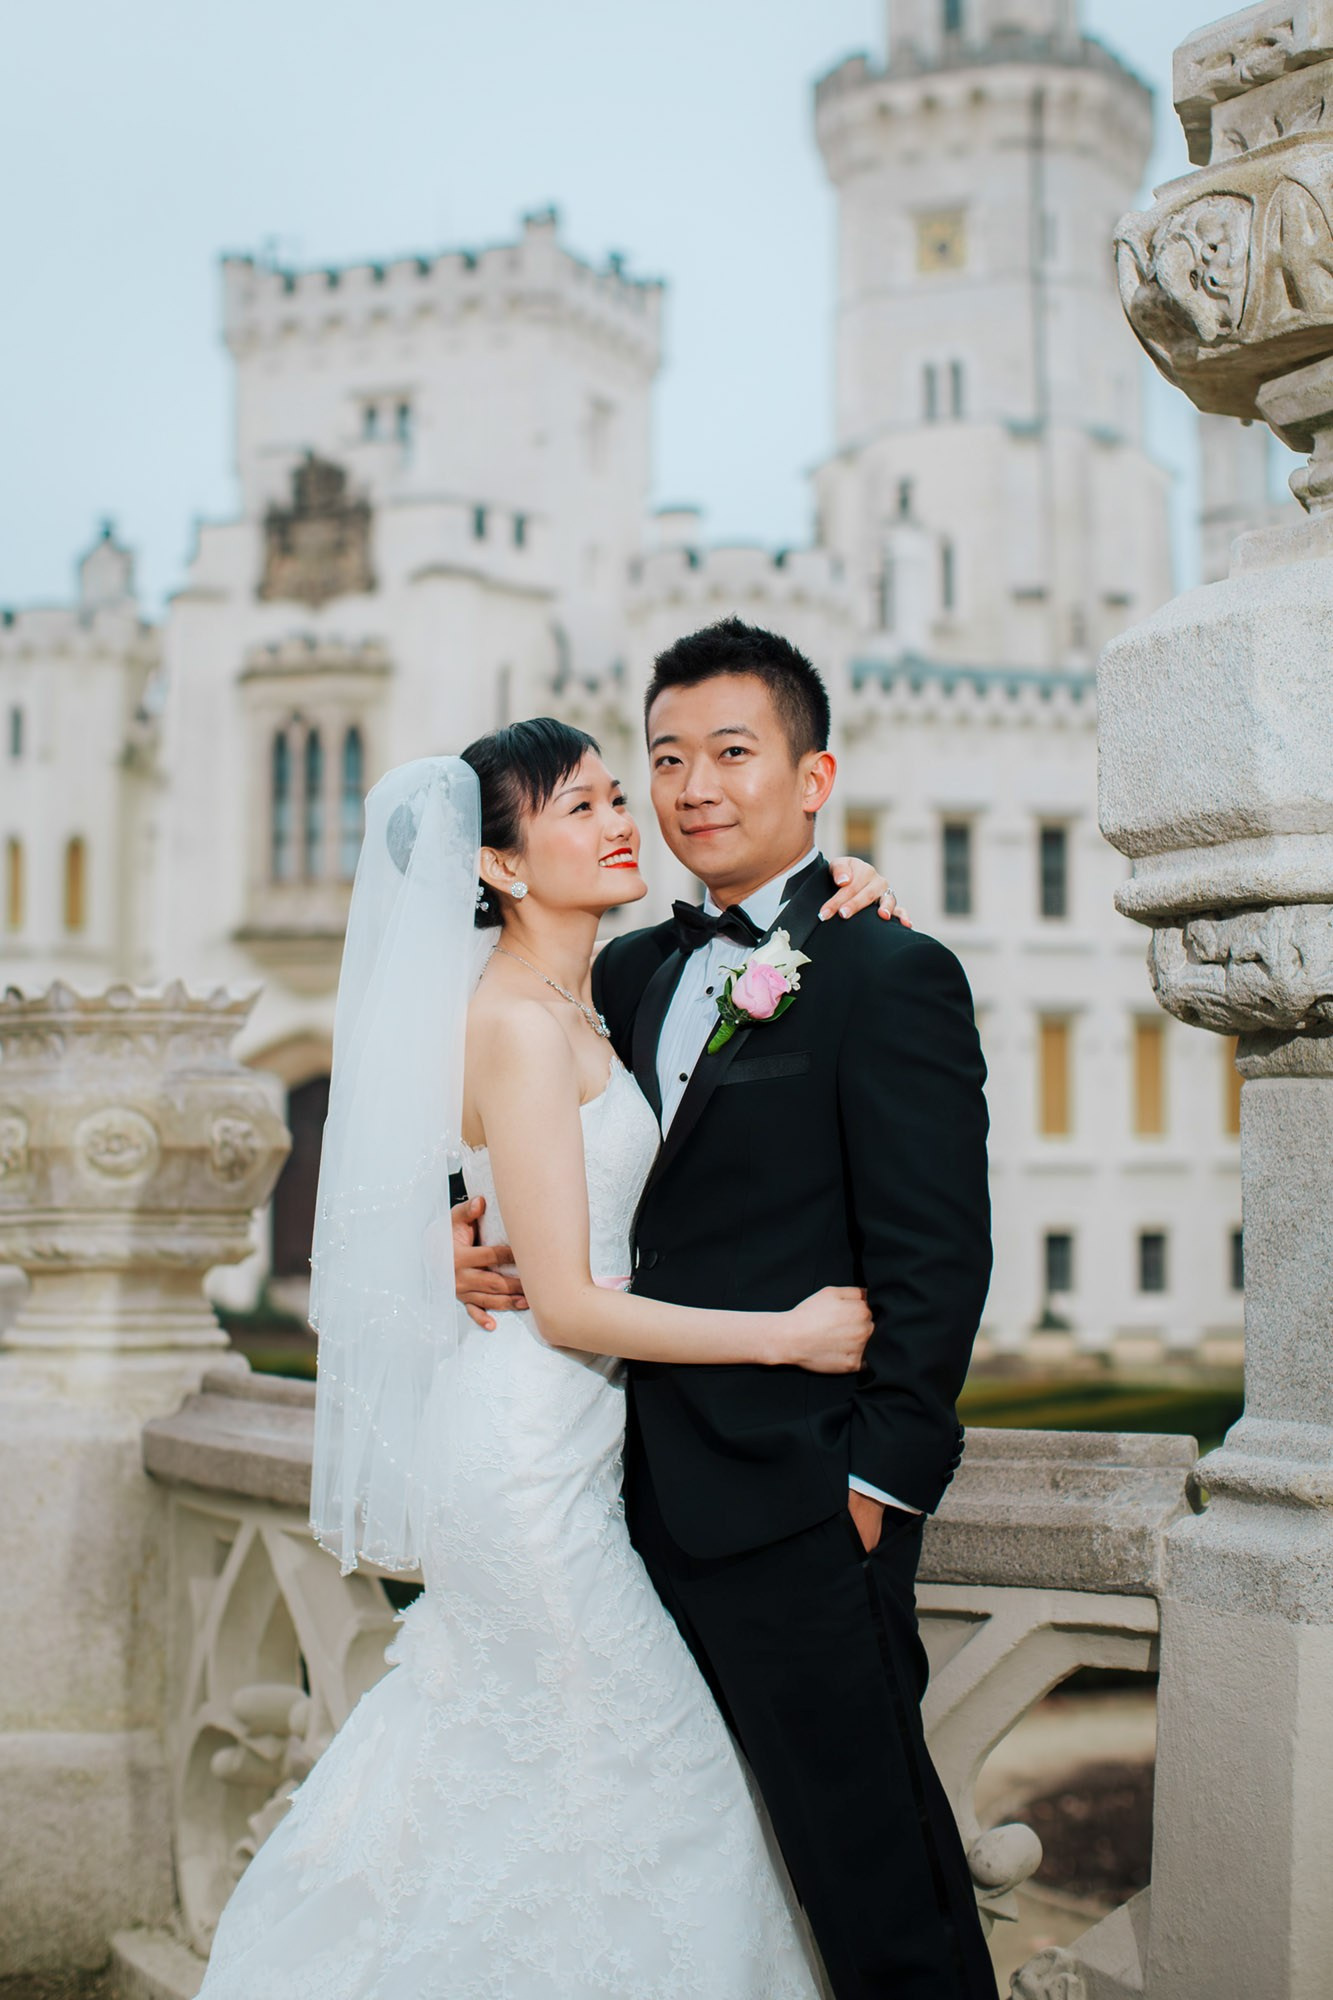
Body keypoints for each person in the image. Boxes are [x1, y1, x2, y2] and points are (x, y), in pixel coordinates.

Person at [195, 725, 895, 2000]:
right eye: (581, 806)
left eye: (614, 793)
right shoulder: (515, 1021)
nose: (624, 818)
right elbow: (568, 1302)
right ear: (500, 864)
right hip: (525, 1464)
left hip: (571, 1448)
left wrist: (843, 895)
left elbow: (509, 1202)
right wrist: (786, 1333)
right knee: (647, 1778)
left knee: (529, 1791)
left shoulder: (597, 988)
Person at [456, 619, 996, 2000]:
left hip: (798, 1511)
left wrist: (876, 1483)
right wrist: (457, 1238)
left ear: (814, 779)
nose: (692, 786)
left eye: (731, 754)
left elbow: (936, 1260)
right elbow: (517, 1144)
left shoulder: (887, 969)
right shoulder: (622, 973)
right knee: (689, 1872)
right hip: (616, 1504)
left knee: (877, 1884)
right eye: (664, 759)